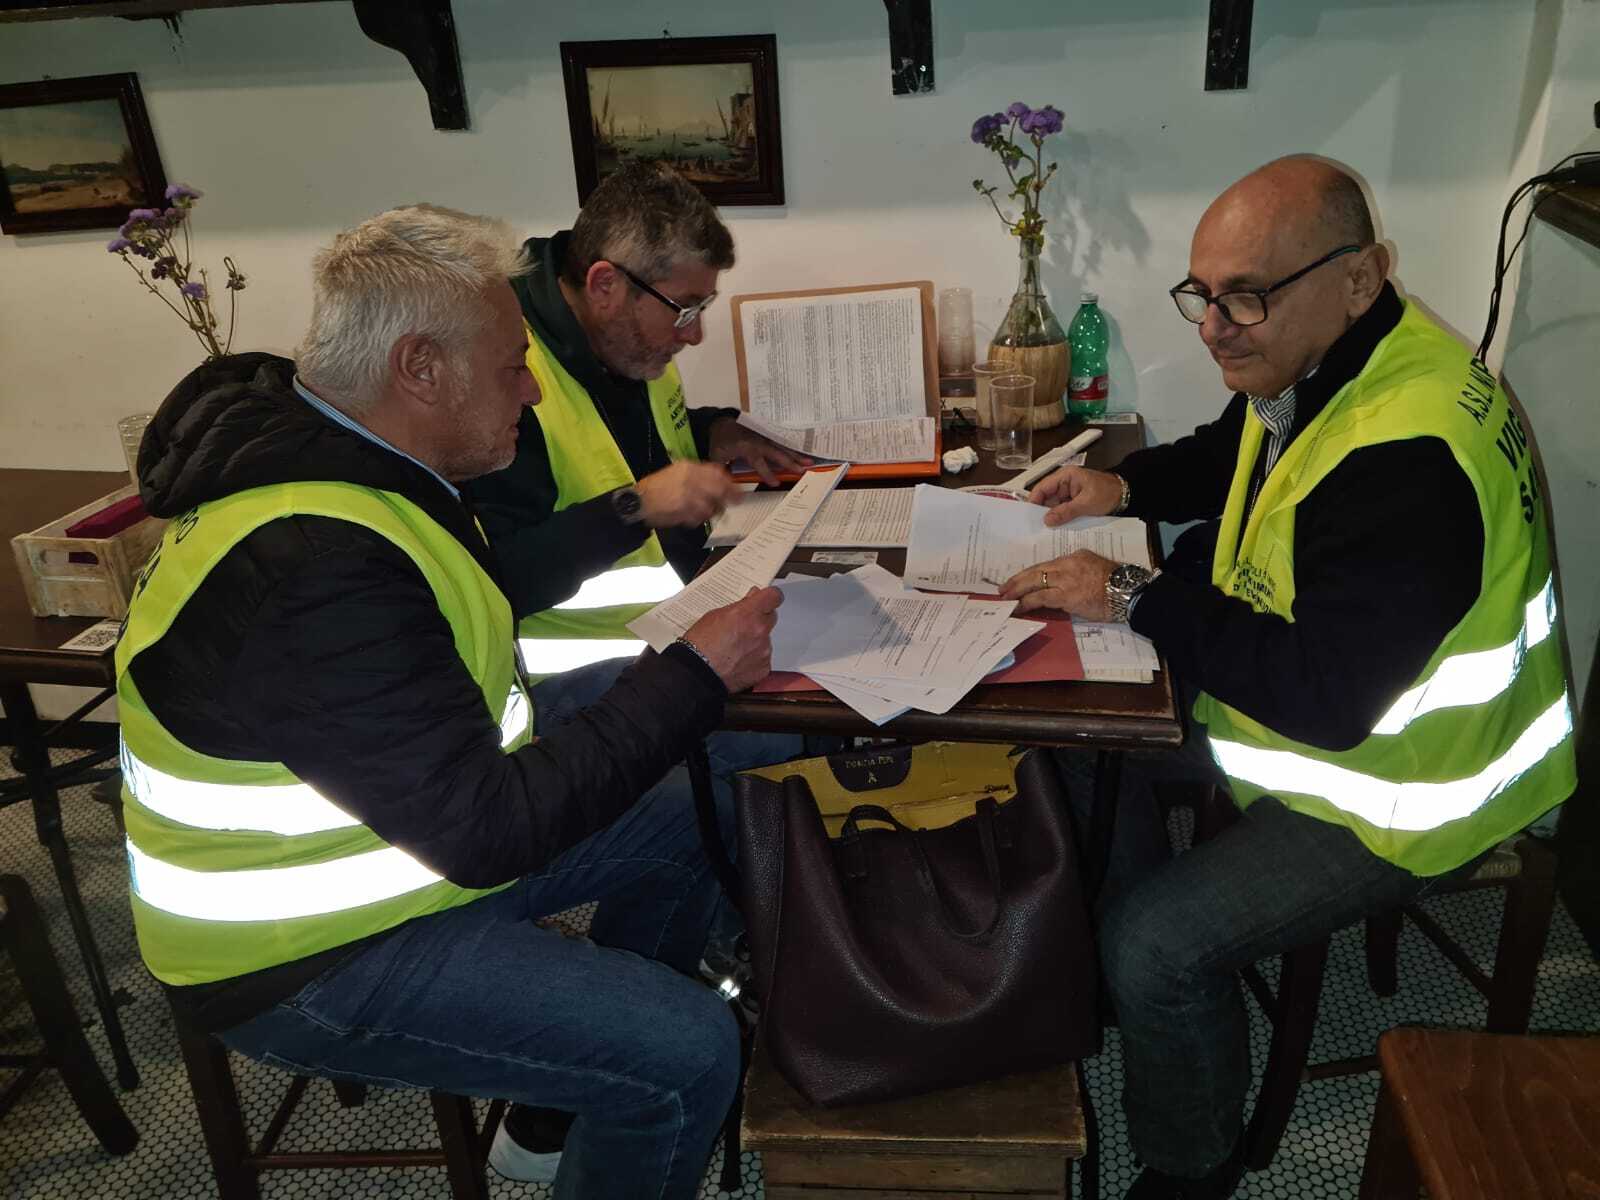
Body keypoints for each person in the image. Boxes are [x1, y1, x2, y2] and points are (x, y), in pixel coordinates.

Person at [115, 204, 792, 1200]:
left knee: (704, 799)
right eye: (512, 367)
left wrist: (674, 674)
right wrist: (690, 675)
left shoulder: (353, 467)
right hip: (304, 953)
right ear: (420, 369)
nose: (532, 389)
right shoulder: (314, 561)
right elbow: (489, 833)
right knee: (688, 1052)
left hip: (404, 850)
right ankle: (617, 1077)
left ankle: (564, 1099)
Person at [1000, 156, 1576, 1199]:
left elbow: (1324, 700)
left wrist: (1131, 594)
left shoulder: (1409, 457)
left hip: (1405, 791)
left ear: (1358, 276)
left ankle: (1194, 1164)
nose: (1215, 328)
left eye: (1247, 297)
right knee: (1078, 732)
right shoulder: (1341, 362)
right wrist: (1122, 484)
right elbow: (1237, 451)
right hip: (1317, 710)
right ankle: (1141, 995)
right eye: (1203, 296)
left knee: (1157, 943)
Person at [462, 162, 810, 674]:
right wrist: (634, 508)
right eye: (684, 309)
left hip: (688, 626)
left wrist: (713, 430)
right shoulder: (506, 376)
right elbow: (493, 579)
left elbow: (634, 443)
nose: (694, 334)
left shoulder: (624, 343)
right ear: (605, 285)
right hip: (585, 684)